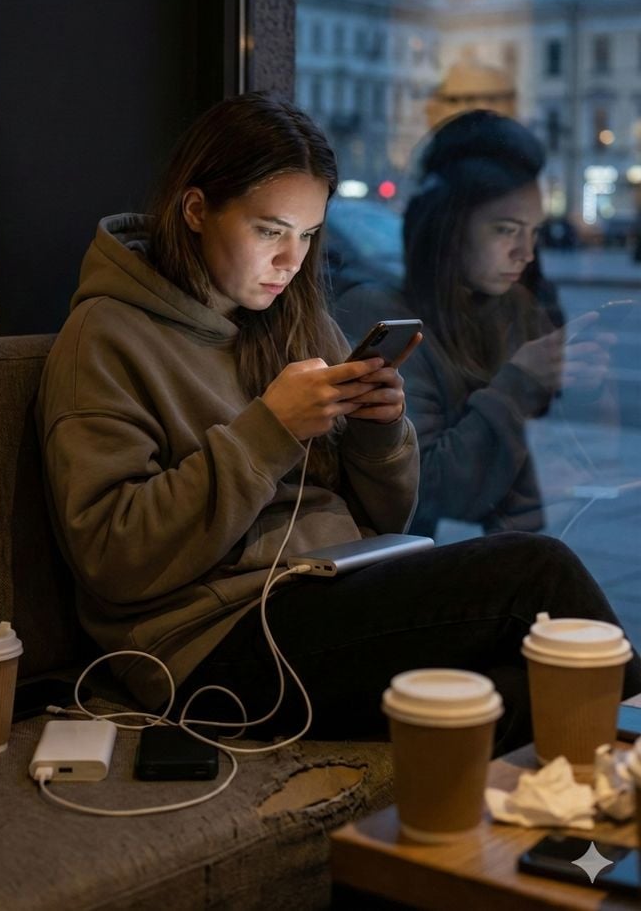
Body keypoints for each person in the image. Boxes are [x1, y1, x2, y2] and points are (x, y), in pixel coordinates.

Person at [37, 93, 640, 751]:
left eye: (308, 235)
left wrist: (380, 431)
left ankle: (580, 836)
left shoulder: (290, 318)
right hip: (207, 645)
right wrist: (270, 430)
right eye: (269, 230)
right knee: (538, 574)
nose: (290, 262)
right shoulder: (106, 336)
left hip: (326, 589)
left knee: (535, 689)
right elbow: (112, 557)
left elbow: (389, 518)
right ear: (196, 210)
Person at [333, 109, 610, 538]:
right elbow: (428, 491)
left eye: (534, 232)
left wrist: (583, 385)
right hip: (403, 562)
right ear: (448, 227)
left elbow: (561, 465)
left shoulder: (510, 306)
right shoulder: (381, 315)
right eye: (505, 230)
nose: (526, 252)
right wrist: (521, 382)